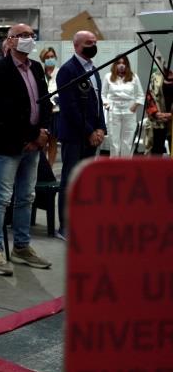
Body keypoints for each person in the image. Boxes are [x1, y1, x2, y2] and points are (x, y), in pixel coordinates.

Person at [0, 23, 53, 276]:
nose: (29, 39)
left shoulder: (35, 67)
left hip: (33, 144)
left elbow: (44, 102)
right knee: (1, 198)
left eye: (31, 35)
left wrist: (43, 132)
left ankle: (21, 247)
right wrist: (32, 135)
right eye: (23, 35)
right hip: (9, 143)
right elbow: (5, 110)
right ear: (11, 40)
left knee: (26, 197)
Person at [57, 30, 106, 239]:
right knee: (70, 180)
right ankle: (65, 227)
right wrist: (89, 131)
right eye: (89, 43)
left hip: (92, 134)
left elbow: (98, 102)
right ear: (76, 45)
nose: (93, 46)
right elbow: (70, 107)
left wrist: (101, 128)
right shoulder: (67, 70)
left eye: (95, 42)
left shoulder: (93, 69)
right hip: (74, 135)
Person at [101, 55, 144, 157]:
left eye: (124, 63)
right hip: (114, 110)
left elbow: (140, 95)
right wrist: (106, 104)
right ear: (115, 65)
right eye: (119, 63)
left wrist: (135, 106)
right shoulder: (108, 76)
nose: (121, 65)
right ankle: (114, 164)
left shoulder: (134, 77)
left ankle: (126, 164)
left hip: (129, 110)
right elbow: (103, 94)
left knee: (127, 141)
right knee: (114, 141)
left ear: (127, 65)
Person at [39, 47, 60, 166]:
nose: (50, 59)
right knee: (42, 141)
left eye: (52, 56)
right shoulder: (40, 73)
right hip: (42, 112)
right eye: (47, 57)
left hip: (55, 111)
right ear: (43, 59)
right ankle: (42, 168)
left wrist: (53, 103)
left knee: (53, 141)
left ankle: (50, 167)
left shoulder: (60, 72)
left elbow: (62, 91)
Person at [145, 64, 173, 155]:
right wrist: (155, 113)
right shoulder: (155, 77)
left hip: (171, 119)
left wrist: (171, 115)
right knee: (156, 150)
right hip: (158, 120)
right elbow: (149, 96)